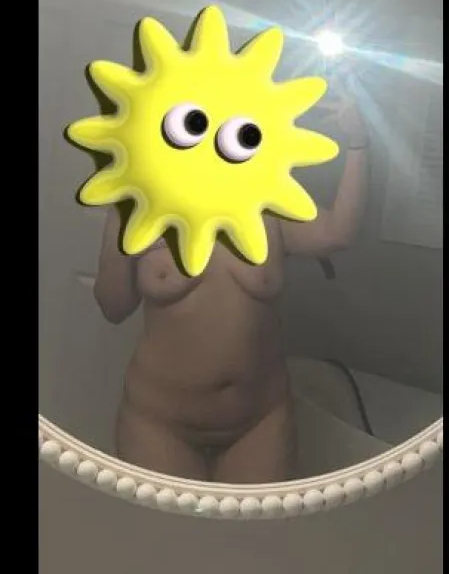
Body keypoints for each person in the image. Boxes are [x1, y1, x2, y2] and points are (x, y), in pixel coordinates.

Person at [94, 82, 369, 483]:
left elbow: (337, 233)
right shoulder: (142, 207)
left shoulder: (267, 206)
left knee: (257, 526)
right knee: (160, 526)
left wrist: (358, 144)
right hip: (159, 422)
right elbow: (113, 306)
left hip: (259, 422)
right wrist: (121, 216)